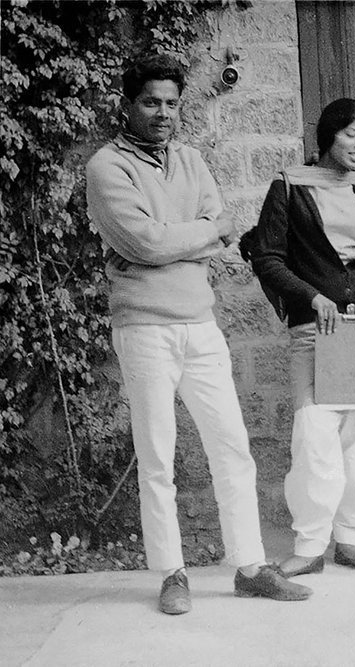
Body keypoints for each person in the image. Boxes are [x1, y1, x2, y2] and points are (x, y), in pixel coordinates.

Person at [85, 54, 311, 614]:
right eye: (151, 102)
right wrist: (196, 235)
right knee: (158, 456)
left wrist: (184, 236)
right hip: (143, 329)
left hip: (200, 324)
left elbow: (226, 227)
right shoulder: (107, 167)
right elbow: (144, 243)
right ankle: (171, 573)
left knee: (232, 446)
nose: (163, 113)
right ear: (127, 105)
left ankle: (251, 567)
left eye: (171, 103)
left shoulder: (189, 158)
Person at [251, 99, 355, 576]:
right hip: (315, 332)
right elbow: (267, 257)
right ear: (327, 135)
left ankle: (349, 539)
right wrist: (311, 296)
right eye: (350, 134)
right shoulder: (290, 188)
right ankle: (310, 546)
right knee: (315, 434)